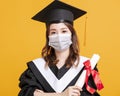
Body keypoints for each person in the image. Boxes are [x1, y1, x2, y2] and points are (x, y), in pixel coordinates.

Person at [18, 1, 104, 96]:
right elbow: (27, 93)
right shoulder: (37, 67)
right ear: (48, 37)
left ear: (72, 35)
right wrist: (61, 94)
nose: (59, 36)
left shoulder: (86, 66)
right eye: (53, 32)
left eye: (64, 31)